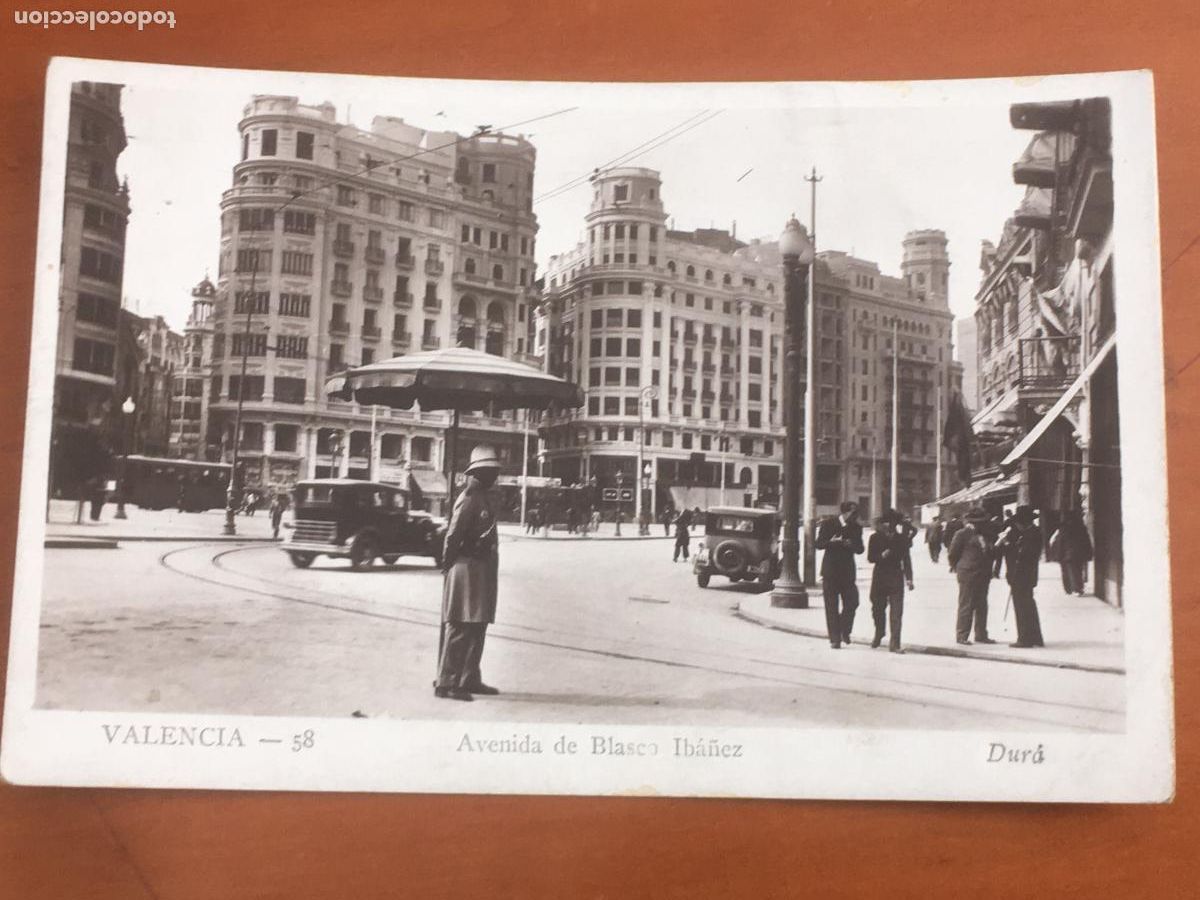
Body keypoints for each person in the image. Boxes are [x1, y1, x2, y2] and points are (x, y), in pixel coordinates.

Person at [436, 445, 502, 702]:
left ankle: (469, 677)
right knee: (461, 626)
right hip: (467, 569)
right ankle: (447, 682)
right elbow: (453, 536)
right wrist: (447, 564)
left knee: (478, 625)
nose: (494, 475)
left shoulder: (484, 497)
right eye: (490, 471)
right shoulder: (470, 498)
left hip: (481, 571)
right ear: (478, 472)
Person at [815, 501, 865, 649]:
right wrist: (833, 542)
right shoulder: (828, 524)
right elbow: (818, 544)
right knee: (831, 606)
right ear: (844, 512)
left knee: (853, 602)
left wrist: (852, 545)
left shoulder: (856, 527)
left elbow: (861, 549)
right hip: (830, 572)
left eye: (857, 513)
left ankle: (844, 630)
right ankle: (835, 639)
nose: (855, 516)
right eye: (853, 513)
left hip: (847, 573)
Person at [994, 505, 1045, 648]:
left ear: (1023, 522)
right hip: (1025, 576)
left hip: (1021, 576)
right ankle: (1035, 637)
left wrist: (1006, 543)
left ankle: (1025, 638)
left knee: (1022, 608)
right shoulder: (1031, 533)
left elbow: (1022, 555)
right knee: (1028, 605)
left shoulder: (1031, 535)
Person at [947, 507, 997, 646]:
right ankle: (962, 635)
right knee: (966, 604)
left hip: (983, 573)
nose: (983, 524)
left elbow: (991, 552)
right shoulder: (961, 534)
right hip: (968, 574)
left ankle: (981, 634)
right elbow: (952, 554)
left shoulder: (986, 535)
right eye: (980, 522)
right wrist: (958, 567)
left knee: (982, 605)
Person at [867, 509, 914, 653]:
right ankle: (879, 632)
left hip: (896, 577)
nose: (889, 525)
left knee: (896, 612)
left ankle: (895, 644)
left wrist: (909, 578)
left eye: (893, 523)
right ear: (883, 523)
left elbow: (906, 559)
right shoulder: (875, 538)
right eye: (887, 523)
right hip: (879, 577)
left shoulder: (902, 539)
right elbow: (870, 558)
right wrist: (881, 556)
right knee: (877, 609)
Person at [1055, 509, 1093, 596]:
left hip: (1067, 554)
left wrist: (1058, 555)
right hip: (1079, 553)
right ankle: (1078, 588)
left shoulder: (1063, 528)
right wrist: (1089, 553)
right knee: (1078, 571)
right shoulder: (1081, 527)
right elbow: (1086, 541)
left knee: (1068, 571)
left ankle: (1071, 589)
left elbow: (1060, 543)